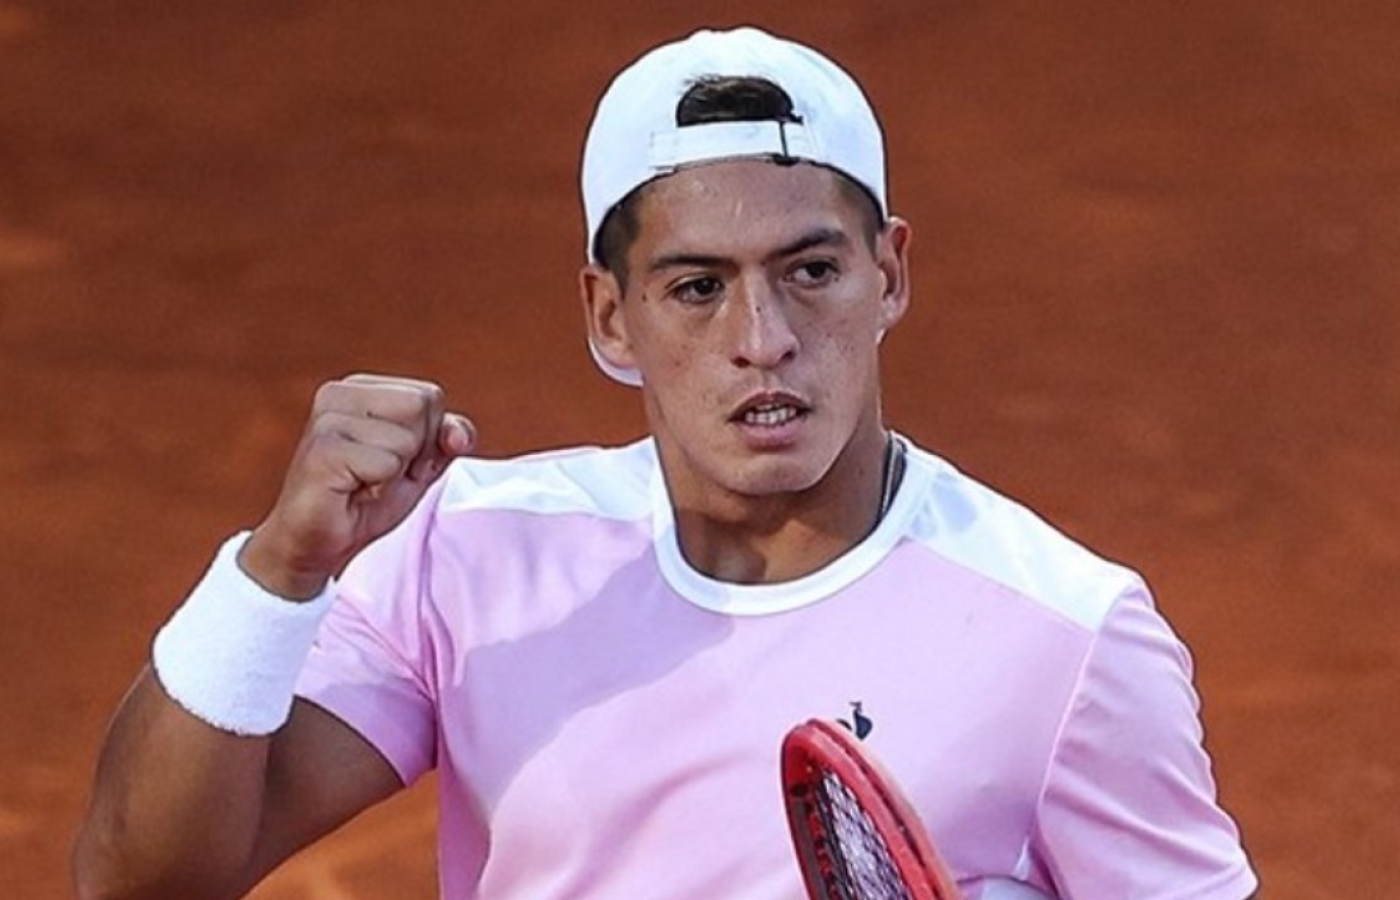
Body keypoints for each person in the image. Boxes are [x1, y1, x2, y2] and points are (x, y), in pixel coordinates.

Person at [72, 26, 1259, 900]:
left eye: (810, 271)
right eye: (696, 287)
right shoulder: (472, 555)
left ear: (888, 275)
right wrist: (276, 574)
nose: (763, 339)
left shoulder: (1067, 637)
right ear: (609, 317)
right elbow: (140, 880)